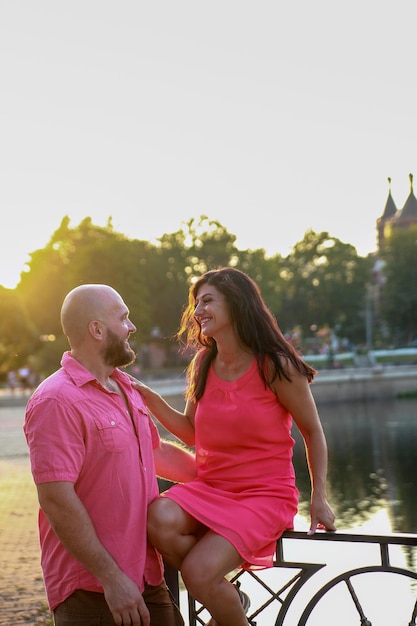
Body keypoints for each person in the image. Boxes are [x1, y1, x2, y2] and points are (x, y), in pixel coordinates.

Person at [131, 267, 336, 626]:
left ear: (236, 303)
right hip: (212, 488)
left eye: (207, 301)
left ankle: (214, 587)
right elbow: (192, 433)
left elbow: (313, 432)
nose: (198, 311)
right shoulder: (204, 363)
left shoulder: (276, 365)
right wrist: (147, 398)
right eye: (196, 304)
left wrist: (319, 497)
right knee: (157, 518)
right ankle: (227, 594)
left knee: (196, 574)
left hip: (264, 495)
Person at [24, 284, 196, 626]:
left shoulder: (127, 387)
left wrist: (233, 483)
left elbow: (155, 453)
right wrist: (111, 579)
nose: (132, 327)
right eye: (124, 318)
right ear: (97, 330)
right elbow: (56, 499)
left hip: (147, 576)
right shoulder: (56, 401)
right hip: (93, 589)